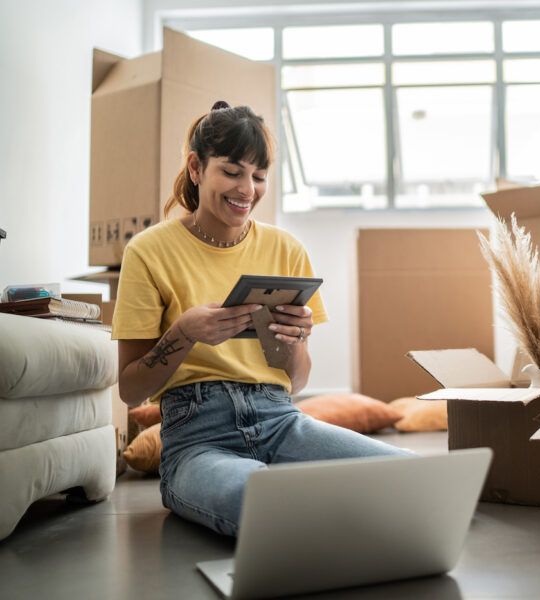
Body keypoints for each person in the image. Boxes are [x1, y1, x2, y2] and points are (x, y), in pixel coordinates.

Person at [112, 101, 411, 537]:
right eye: (232, 172)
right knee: (266, 502)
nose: (247, 189)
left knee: (412, 479)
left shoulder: (286, 249)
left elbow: (299, 381)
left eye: (259, 176)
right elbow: (130, 389)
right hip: (198, 438)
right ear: (196, 168)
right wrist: (183, 333)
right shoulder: (148, 251)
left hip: (280, 420)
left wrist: (291, 343)